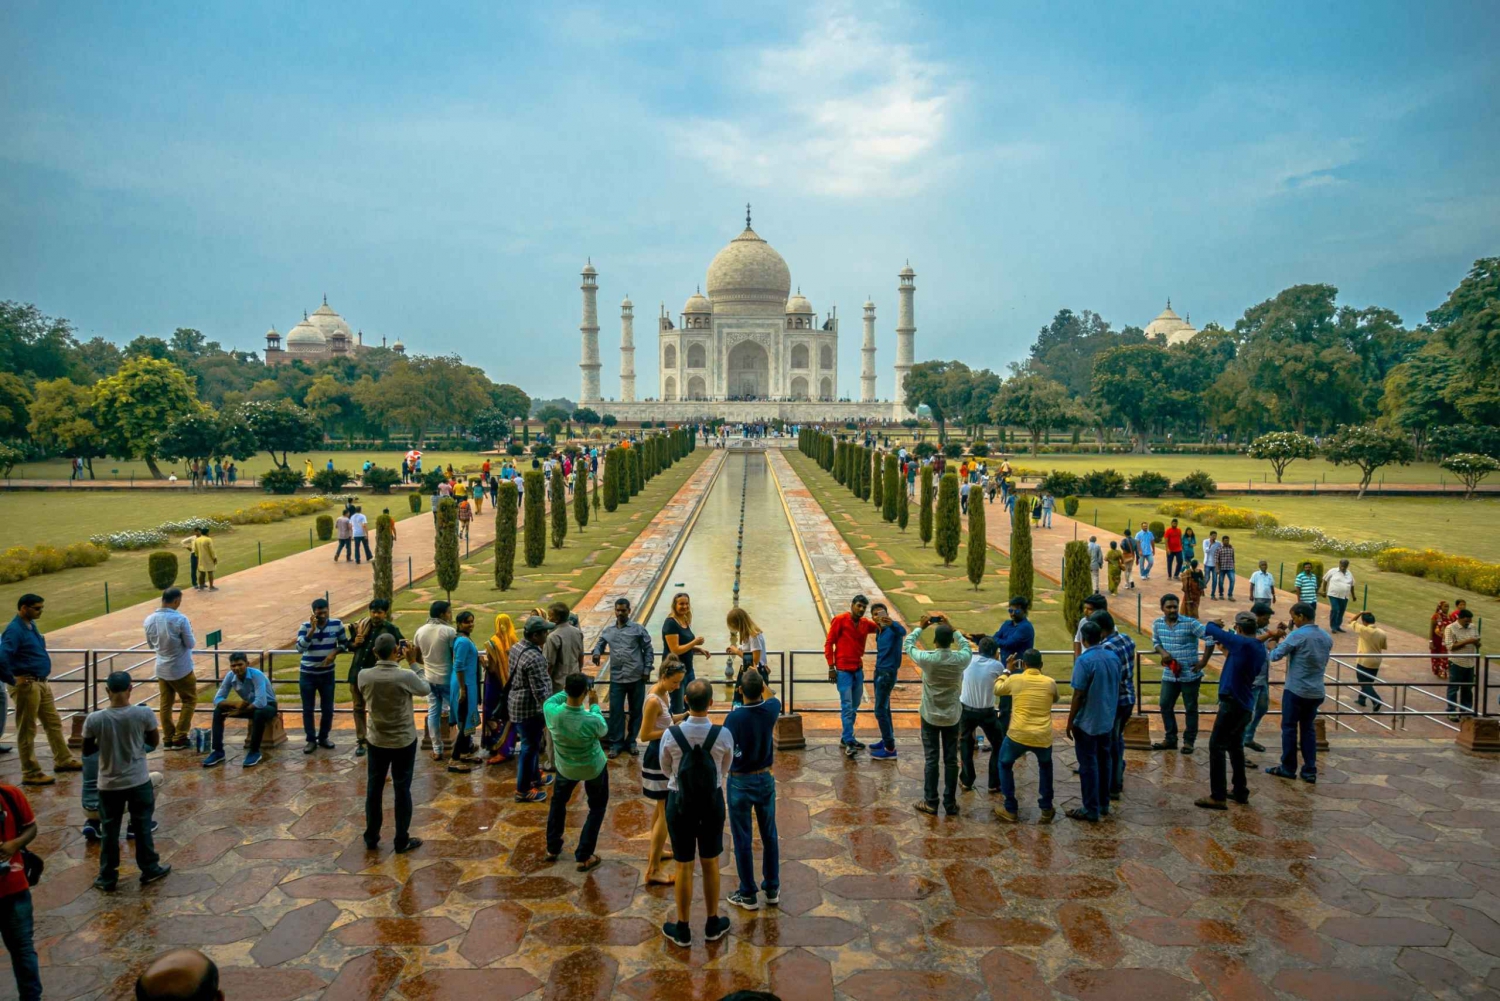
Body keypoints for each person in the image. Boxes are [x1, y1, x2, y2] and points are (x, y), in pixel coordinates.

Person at [659, 679, 735, 948]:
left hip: (679, 802)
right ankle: (712, 922)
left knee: (683, 864)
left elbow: (666, 768)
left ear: (686, 703)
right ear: (711, 703)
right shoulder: (723, 734)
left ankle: (682, 927)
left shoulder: (672, 734)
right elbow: (726, 768)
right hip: (712, 802)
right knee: (711, 862)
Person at [85, 672, 171, 892]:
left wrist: (107, 746)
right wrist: (137, 749)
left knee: (109, 831)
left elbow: (87, 750)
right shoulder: (143, 714)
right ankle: (150, 868)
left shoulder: (95, 719)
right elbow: (153, 741)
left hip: (108, 784)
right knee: (142, 827)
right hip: (138, 779)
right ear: (130, 689)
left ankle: (107, 877)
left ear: (107, 691)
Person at [359, 633, 428, 854]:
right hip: (402, 740)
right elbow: (425, 688)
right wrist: (414, 663)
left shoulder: (364, 676)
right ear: (396, 651)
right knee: (402, 789)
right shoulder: (405, 676)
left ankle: (371, 836)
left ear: (374, 652)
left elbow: (382, 677)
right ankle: (401, 840)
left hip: (377, 739)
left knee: (374, 788)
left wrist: (391, 663)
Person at [2, 595, 81, 785]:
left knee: (53, 722)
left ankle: (63, 759)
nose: (40, 611)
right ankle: (30, 771)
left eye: (41, 608)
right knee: (27, 729)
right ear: (23, 608)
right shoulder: (14, 630)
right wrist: (12, 679)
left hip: (40, 682)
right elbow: (1, 657)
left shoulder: (30, 625)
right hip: (27, 685)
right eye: (37, 608)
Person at [1195, 611, 1266, 810]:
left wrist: (1214, 622)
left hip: (1232, 703)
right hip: (1244, 704)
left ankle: (1218, 796)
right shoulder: (1258, 647)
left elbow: (1209, 628)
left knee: (1216, 746)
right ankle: (1240, 791)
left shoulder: (1241, 643)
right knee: (1235, 747)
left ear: (1239, 629)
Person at [723, 668, 781, 911]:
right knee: (769, 834)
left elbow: (726, 748)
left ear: (739, 691)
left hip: (739, 780)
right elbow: (773, 696)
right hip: (765, 778)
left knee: (743, 837)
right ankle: (772, 888)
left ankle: (747, 893)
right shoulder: (771, 710)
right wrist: (760, 678)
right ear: (760, 690)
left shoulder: (734, 718)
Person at [904, 613, 972, 817]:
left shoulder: (928, 660)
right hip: (951, 716)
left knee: (931, 759)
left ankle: (931, 802)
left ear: (934, 642)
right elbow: (967, 647)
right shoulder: (960, 659)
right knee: (951, 760)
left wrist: (920, 627)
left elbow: (908, 645)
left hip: (930, 716)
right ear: (950, 641)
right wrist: (952, 628)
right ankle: (950, 804)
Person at [542, 672, 609, 872]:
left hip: (565, 767)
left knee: (558, 803)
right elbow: (603, 729)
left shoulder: (552, 712)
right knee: (596, 808)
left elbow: (554, 699)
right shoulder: (590, 719)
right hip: (592, 767)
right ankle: (584, 855)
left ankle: (552, 848)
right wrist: (595, 704)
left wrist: (570, 691)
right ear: (585, 692)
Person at [1264, 602, 1331, 783]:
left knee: (1289, 728)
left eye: (1294, 617)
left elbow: (1275, 656)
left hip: (1296, 690)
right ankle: (1309, 769)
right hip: (1316, 690)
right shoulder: (1326, 637)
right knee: (1308, 729)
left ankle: (1288, 767)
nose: (1293, 621)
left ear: (1301, 616)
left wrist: (1272, 643)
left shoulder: (1297, 635)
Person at [992, 649, 1059, 824]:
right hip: (1042, 735)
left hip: (1018, 734)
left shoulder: (1015, 679)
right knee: (1045, 767)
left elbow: (997, 689)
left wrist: (1007, 670)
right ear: (1041, 665)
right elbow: (1055, 698)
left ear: (1024, 665)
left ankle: (1010, 807)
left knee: (1004, 763)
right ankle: (1046, 808)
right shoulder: (1050, 682)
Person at [1066, 620, 1121, 823]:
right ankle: (1103, 803)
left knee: (1088, 765)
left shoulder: (1084, 661)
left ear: (1084, 639)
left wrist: (1070, 721)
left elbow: (1078, 694)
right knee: (1104, 761)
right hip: (1107, 719)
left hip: (1088, 722)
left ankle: (1091, 808)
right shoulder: (1113, 656)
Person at [640, 657, 687, 886]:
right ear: (664, 677)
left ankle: (655, 853)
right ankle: (653, 870)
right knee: (666, 810)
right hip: (655, 757)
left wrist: (684, 717)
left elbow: (666, 722)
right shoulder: (653, 701)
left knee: (661, 809)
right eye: (675, 682)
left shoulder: (664, 695)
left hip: (663, 754)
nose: (677, 686)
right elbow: (645, 734)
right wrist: (673, 729)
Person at [592, 598, 655, 758]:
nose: (620, 613)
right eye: (618, 610)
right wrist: (597, 652)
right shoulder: (608, 631)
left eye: (623, 610)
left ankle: (632, 740)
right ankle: (616, 743)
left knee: (636, 711)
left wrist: (647, 668)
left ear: (629, 611)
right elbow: (600, 642)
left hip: (636, 677)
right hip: (617, 678)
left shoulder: (638, 629)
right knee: (616, 712)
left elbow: (648, 649)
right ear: (615, 611)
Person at [1150, 594, 1213, 754]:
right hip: (1170, 673)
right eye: (1169, 607)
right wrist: (1163, 653)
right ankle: (1171, 738)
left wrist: (1203, 662)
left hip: (1190, 674)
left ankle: (1189, 741)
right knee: (1165, 705)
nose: (1172, 610)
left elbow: (1210, 638)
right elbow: (1156, 642)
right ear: (1162, 608)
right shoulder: (1158, 624)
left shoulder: (1190, 623)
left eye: (1174, 607)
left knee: (1190, 707)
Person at [345, 599, 405, 758]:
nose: (375, 615)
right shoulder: (361, 626)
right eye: (373, 611)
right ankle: (361, 740)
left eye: (379, 612)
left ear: (385, 613)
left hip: (377, 676)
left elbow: (403, 647)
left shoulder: (390, 629)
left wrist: (393, 662)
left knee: (377, 708)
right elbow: (348, 645)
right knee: (358, 707)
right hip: (357, 673)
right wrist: (354, 643)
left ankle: (377, 739)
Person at [201, 652, 278, 768]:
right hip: (246, 706)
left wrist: (240, 711)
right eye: (233, 666)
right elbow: (217, 699)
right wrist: (234, 704)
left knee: (259, 713)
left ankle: (254, 752)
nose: (236, 668)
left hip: (268, 706)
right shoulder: (230, 676)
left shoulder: (257, 675)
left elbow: (261, 702)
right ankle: (218, 751)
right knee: (218, 711)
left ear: (247, 664)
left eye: (240, 665)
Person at [0, 778, 40, 1001]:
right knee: (23, 949)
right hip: (14, 891)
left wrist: (14, 844)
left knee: (23, 949)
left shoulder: (10, 795)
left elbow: (31, 827)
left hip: (14, 889)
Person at [143, 588, 197, 751]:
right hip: (181, 668)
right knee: (189, 700)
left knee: (166, 703)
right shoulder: (180, 619)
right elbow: (191, 644)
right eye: (179, 601)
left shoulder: (149, 620)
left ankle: (168, 738)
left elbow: (151, 645)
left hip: (162, 668)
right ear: (175, 601)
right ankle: (180, 737)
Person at [825, 594, 878, 756]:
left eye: (864, 607)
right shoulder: (840, 620)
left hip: (857, 669)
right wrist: (831, 667)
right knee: (847, 706)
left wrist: (885, 619)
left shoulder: (864, 624)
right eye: (859, 606)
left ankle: (846, 737)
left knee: (854, 706)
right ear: (852, 605)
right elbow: (829, 643)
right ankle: (849, 741)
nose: (861, 609)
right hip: (842, 671)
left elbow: (882, 627)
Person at [509, 616, 555, 802]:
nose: (547, 634)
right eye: (544, 632)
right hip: (529, 709)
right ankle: (523, 790)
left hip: (516, 703)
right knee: (528, 749)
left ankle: (535, 777)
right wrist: (549, 711)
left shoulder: (517, 647)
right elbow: (540, 691)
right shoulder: (535, 658)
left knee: (533, 745)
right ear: (535, 636)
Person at [1092, 610, 1136, 799]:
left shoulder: (1107, 649)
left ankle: (1113, 785)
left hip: (1115, 701)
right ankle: (1115, 781)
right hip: (1128, 697)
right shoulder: (1127, 639)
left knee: (1110, 745)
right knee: (1117, 740)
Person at [294, 598, 344, 754]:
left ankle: (323, 737)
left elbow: (344, 643)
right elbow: (300, 649)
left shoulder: (337, 625)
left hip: (327, 674)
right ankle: (310, 740)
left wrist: (334, 653)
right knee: (308, 709)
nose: (322, 615)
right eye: (319, 613)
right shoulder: (305, 626)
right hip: (307, 674)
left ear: (328, 610)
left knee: (328, 708)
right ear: (313, 613)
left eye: (324, 612)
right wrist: (311, 631)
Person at [957, 637, 1006, 793]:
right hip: (986, 712)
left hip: (966, 710)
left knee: (965, 744)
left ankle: (966, 780)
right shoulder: (997, 665)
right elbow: (1004, 680)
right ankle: (994, 782)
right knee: (999, 744)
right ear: (994, 652)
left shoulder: (968, 660)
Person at [414, 601, 458, 760]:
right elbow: (456, 656)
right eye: (448, 612)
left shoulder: (420, 631)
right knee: (458, 712)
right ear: (441, 614)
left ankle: (437, 749)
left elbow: (416, 656)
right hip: (447, 679)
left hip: (429, 679)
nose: (450, 615)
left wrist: (429, 661)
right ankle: (464, 745)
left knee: (433, 713)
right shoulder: (449, 631)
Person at [1242, 602, 1284, 754]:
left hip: (1262, 679)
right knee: (1246, 714)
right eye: (1265, 618)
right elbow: (1251, 643)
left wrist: (1277, 636)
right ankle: (1238, 748)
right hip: (1249, 681)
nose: (1267, 622)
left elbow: (1270, 646)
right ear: (1255, 617)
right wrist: (1272, 634)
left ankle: (1248, 737)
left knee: (1261, 709)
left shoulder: (1264, 630)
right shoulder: (1245, 630)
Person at [868, 603, 906, 759]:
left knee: (879, 711)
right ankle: (886, 740)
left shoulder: (893, 628)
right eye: (875, 614)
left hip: (887, 673)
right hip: (879, 671)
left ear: (887, 614)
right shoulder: (880, 630)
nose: (878, 616)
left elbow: (902, 631)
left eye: (880, 613)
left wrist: (893, 623)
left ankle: (890, 749)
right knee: (885, 708)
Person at [448, 611, 483, 772]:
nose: (470, 624)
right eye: (467, 622)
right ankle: (454, 759)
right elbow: (459, 665)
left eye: (472, 621)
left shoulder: (463, 638)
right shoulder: (462, 641)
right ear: (459, 623)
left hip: (468, 684)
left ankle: (464, 753)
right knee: (464, 721)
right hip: (465, 685)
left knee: (466, 719)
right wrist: (462, 689)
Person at [662, 593, 706, 716]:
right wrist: (695, 642)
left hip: (688, 669)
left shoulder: (684, 619)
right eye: (681, 604)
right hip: (675, 672)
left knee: (691, 702)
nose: (685, 606)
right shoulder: (670, 623)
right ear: (674, 605)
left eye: (686, 603)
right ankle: (674, 732)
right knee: (677, 706)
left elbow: (684, 643)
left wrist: (697, 649)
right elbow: (675, 649)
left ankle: (687, 731)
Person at [482, 614, 518, 764]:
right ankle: (507, 747)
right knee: (509, 716)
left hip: (494, 685)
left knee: (493, 714)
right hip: (511, 684)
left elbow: (492, 668)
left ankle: (495, 746)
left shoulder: (492, 643)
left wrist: (483, 664)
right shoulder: (515, 642)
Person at [725, 607, 769, 706]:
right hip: (746, 671)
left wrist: (737, 651)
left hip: (754, 673)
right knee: (741, 701)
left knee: (750, 703)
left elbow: (755, 660)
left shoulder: (753, 635)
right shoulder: (746, 634)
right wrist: (736, 649)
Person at [1444, 609, 1481, 719]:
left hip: (1470, 663)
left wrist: (1477, 642)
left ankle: (1465, 710)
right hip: (1456, 662)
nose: (1468, 623)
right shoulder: (1450, 628)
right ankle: (1451, 711)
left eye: (1469, 621)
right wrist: (1468, 641)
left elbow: (1478, 643)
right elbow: (1450, 646)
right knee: (1454, 688)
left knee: (1468, 688)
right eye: (1466, 621)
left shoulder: (1473, 627)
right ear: (1459, 618)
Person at [1352, 612, 1387, 711]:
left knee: (1363, 683)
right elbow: (1383, 646)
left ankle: (1376, 700)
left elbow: (1351, 621)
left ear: (1364, 622)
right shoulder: (1382, 632)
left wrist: (1360, 613)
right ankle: (1361, 699)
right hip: (1376, 661)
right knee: (1368, 682)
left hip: (1364, 660)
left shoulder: (1363, 629)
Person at [1320, 559, 1355, 633]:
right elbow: (1325, 580)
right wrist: (1324, 590)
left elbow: (1352, 585)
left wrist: (1353, 595)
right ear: (1339, 564)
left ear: (1347, 566)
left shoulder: (1349, 573)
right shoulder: (1333, 571)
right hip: (1333, 594)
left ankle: (1338, 626)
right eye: (1342, 565)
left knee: (1341, 611)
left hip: (1344, 596)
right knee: (1335, 609)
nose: (1343, 567)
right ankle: (1333, 627)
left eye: (1345, 566)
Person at [1429, 600, 1452, 680]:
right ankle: (1438, 671)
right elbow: (1431, 630)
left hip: (1446, 641)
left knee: (1445, 657)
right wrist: (1431, 642)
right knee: (1437, 657)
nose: (1447, 608)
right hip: (1437, 640)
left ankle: (1443, 672)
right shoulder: (1435, 616)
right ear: (1440, 607)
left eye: (1448, 606)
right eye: (1445, 606)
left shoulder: (1449, 616)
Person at [1217, 535, 1237, 599]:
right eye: (1225, 541)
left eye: (1228, 540)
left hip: (1230, 568)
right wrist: (1217, 568)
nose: (1227, 542)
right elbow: (1216, 559)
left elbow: (1233, 558)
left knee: (1232, 580)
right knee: (1221, 581)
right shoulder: (1219, 549)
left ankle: (1230, 595)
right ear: (1222, 541)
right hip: (1222, 568)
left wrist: (1234, 566)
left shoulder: (1231, 548)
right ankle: (1221, 594)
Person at [1203, 531, 1221, 599]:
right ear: (1210, 536)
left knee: (1215, 580)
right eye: (1213, 536)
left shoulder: (1218, 543)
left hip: (1214, 565)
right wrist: (1210, 544)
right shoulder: (1205, 542)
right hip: (1207, 563)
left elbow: (1222, 548)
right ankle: (1200, 589)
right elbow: (1206, 551)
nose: (1214, 537)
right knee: (1207, 578)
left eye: (1215, 536)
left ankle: (1213, 594)